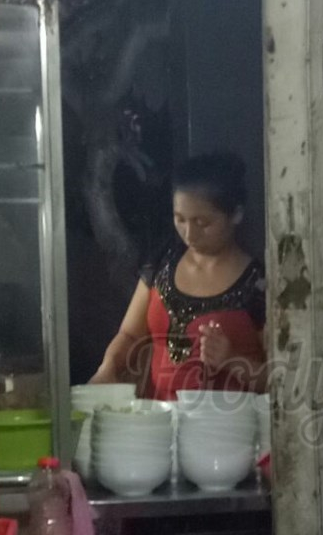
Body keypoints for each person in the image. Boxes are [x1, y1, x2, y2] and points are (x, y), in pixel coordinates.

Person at [90, 151, 267, 399]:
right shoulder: (162, 263)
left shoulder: (258, 284)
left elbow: (282, 381)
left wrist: (232, 360)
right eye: (180, 219)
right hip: (159, 417)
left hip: (228, 419)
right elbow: (129, 335)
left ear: (236, 214)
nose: (189, 234)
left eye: (202, 223)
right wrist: (108, 367)